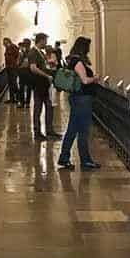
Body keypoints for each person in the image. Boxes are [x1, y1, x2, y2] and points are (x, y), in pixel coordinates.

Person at [58, 36, 101, 170]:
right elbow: (84, 80)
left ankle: (65, 158)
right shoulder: (78, 62)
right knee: (83, 130)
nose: (89, 49)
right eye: (88, 46)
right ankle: (85, 160)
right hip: (82, 99)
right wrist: (94, 78)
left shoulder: (72, 60)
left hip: (77, 98)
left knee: (72, 129)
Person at [29, 33, 60, 141]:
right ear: (41, 40)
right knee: (38, 108)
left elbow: (42, 66)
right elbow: (33, 68)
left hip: (44, 84)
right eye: (45, 41)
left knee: (49, 106)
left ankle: (49, 130)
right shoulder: (33, 52)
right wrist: (46, 75)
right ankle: (37, 132)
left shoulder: (40, 52)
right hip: (38, 84)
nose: (46, 43)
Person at [3, 37, 21, 103]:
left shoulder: (13, 46)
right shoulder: (7, 48)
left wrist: (16, 64)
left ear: (8, 41)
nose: (4, 44)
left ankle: (19, 97)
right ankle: (12, 99)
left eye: (5, 42)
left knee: (13, 83)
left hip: (13, 68)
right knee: (10, 83)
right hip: (8, 68)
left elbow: (17, 55)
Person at [17, 38, 32, 107]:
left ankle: (24, 102)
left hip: (25, 71)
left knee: (23, 87)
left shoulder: (23, 52)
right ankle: (26, 103)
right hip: (27, 71)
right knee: (26, 87)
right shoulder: (29, 52)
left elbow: (18, 62)